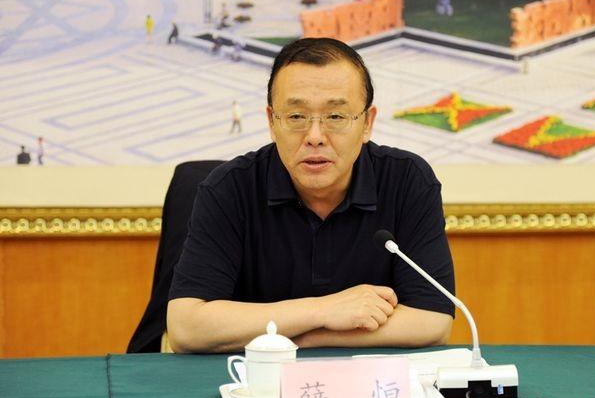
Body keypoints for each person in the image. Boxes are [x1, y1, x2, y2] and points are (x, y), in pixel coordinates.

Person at [167, 38, 455, 353]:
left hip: (368, 378)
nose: (315, 137)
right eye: (296, 117)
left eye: (335, 117)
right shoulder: (229, 188)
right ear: (272, 122)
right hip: (256, 377)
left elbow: (432, 320)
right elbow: (186, 328)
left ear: (367, 123)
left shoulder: (407, 180)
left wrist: (300, 337)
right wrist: (323, 311)